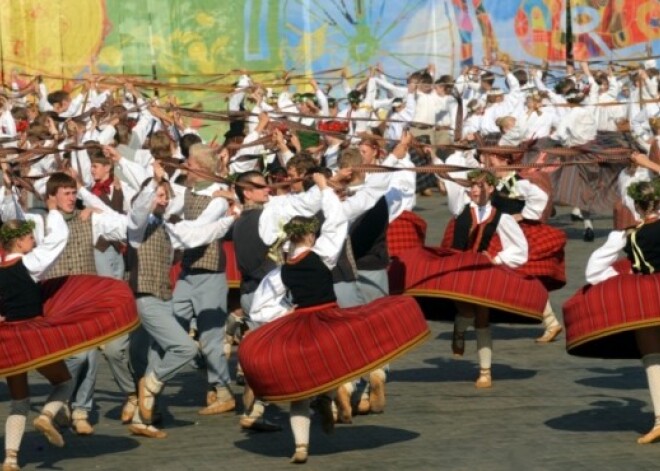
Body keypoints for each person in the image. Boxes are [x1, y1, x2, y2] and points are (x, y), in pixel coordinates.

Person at [240, 173, 430, 464]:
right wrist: (325, 190)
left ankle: (301, 445)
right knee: (336, 363)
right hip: (328, 318)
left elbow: (260, 309)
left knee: (300, 389)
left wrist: (285, 314)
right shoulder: (323, 256)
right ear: (310, 236)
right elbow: (338, 223)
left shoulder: (281, 271)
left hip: (300, 322)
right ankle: (328, 398)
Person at [0, 199, 139, 470]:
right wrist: (53, 210)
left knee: (19, 400)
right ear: (18, 243)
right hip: (33, 335)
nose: (33, 242)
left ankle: (11, 458)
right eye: (29, 238)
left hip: (10, 340)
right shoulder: (30, 263)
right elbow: (59, 239)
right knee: (63, 382)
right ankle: (47, 416)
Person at [564, 180, 660, 444]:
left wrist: (624, 278)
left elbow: (593, 271)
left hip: (648, 298)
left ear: (636, 207)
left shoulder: (626, 234)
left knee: (652, 355)